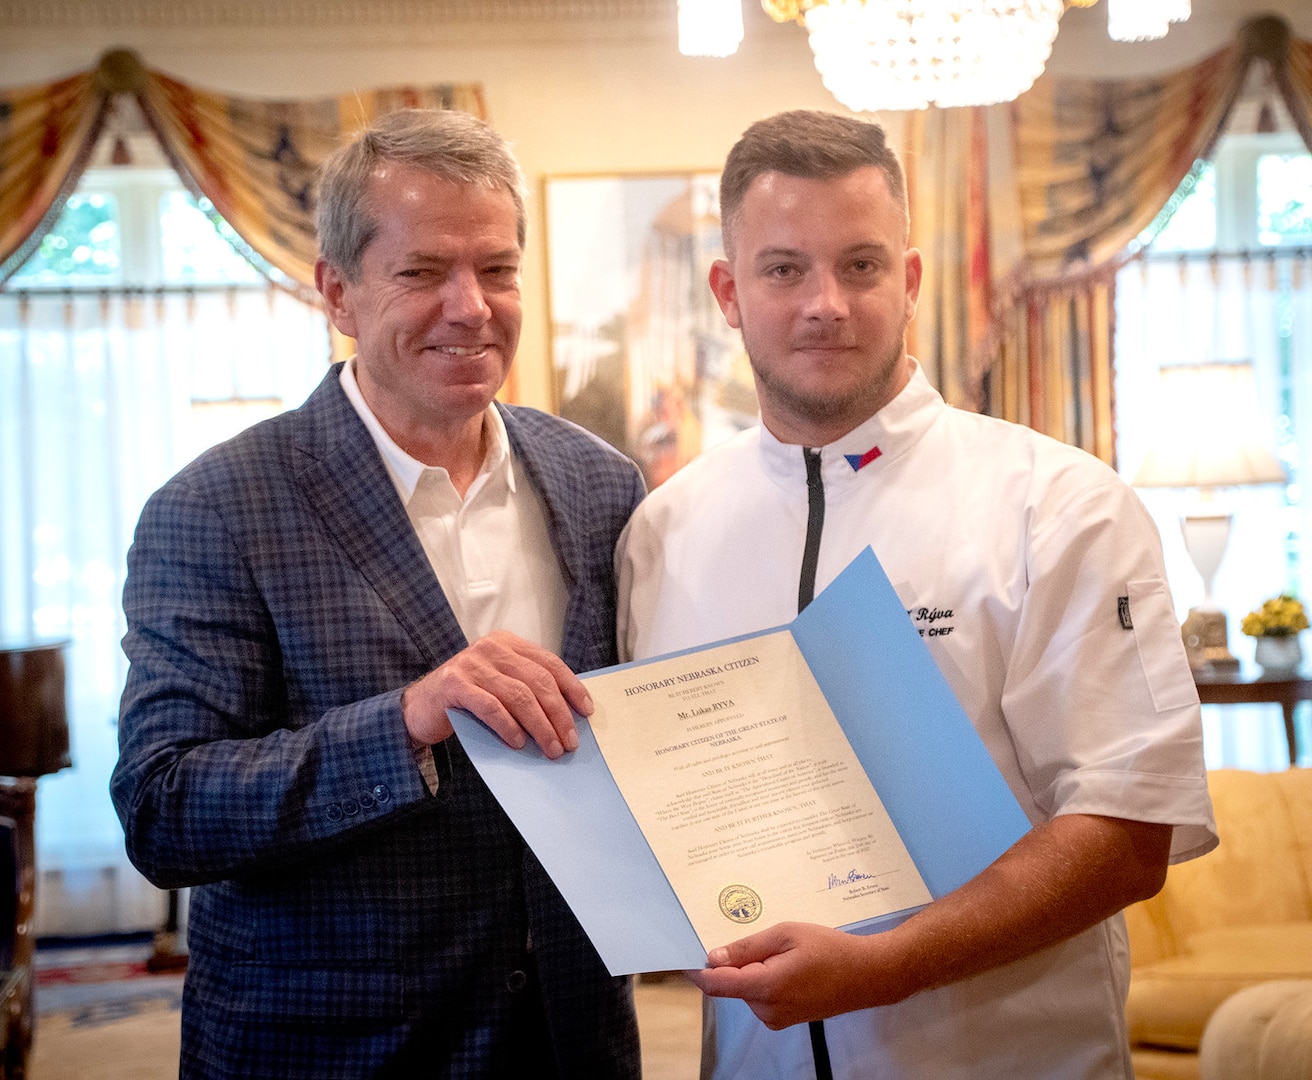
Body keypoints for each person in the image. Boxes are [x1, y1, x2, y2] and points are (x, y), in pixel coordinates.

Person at [616, 109, 1218, 1079]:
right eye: (783, 269)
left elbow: (1128, 831)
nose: (826, 304)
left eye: (859, 265)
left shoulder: (1058, 504)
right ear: (727, 291)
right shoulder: (663, 529)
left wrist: (883, 967)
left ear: (910, 278)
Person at [111, 108, 645, 1079]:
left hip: (573, 1038)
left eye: (496, 269)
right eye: (423, 272)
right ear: (339, 292)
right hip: (332, 1050)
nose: (472, 307)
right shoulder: (215, 507)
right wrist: (407, 721)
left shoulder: (602, 483)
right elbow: (163, 807)